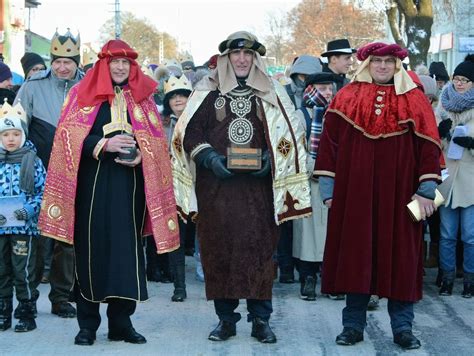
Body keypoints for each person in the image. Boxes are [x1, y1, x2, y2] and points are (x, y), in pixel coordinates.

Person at [171, 31, 311, 344]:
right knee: (219, 253)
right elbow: (188, 134)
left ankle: (261, 320)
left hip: (258, 194)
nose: (242, 59)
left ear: (256, 59)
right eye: (236, 55)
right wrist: (207, 158)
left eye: (248, 55)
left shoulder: (272, 93)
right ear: (227, 58)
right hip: (216, 191)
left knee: (259, 253)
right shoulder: (207, 91)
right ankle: (225, 320)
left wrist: (270, 158)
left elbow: (290, 134)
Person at [37, 39, 179, 346]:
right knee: (91, 252)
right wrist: (103, 145)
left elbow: (156, 142)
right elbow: (66, 141)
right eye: (114, 62)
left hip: (130, 190)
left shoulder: (141, 99)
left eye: (125, 63)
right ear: (104, 64)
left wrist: (143, 152)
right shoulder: (81, 95)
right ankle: (87, 324)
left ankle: (121, 323)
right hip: (92, 188)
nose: (119, 67)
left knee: (126, 256)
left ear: (132, 67)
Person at [315, 42, 442, 350]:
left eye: (388, 62)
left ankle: (402, 328)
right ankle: (352, 326)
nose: (383, 66)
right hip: (354, 193)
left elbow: (429, 146)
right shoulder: (346, 97)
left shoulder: (414, 99)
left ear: (397, 66)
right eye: (377, 61)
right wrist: (329, 190)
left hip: (401, 195)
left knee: (402, 258)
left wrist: (426, 191)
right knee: (356, 257)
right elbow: (329, 145)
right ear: (367, 64)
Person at [14, 30, 84, 318]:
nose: (62, 67)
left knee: (67, 240)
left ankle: (61, 297)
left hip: (77, 171)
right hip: (39, 171)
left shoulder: (88, 86)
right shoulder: (32, 87)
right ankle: (27, 299)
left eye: (69, 61)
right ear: (51, 60)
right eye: (57, 61)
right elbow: (15, 127)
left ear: (77, 62)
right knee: (37, 236)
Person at [0, 102, 46, 332]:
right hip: (0, 228)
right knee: (2, 269)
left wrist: (29, 210)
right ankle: (3, 311)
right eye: (6, 134)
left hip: (23, 228)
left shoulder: (33, 161)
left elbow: (42, 192)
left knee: (23, 270)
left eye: (16, 134)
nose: (11, 139)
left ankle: (27, 312)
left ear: (23, 134)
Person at [292, 71, 335, 301]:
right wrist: (314, 167)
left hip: (334, 181)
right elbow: (295, 149)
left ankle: (330, 279)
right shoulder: (300, 116)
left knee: (331, 233)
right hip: (309, 181)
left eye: (330, 88)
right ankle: (307, 279)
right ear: (311, 90)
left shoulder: (337, 113)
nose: (328, 93)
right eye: (323, 88)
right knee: (308, 235)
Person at [436, 54, 474, 298]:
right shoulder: (441, 106)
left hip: (471, 181)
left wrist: (472, 143)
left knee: (470, 235)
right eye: (456, 79)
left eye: (465, 80)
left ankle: (470, 280)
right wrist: (439, 134)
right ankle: (447, 278)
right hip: (446, 179)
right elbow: (429, 145)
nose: (459, 83)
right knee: (447, 234)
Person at [160, 74, 193, 301]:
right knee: (176, 235)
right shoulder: (161, 124)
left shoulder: (202, 119)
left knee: (207, 236)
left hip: (198, 183)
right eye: (173, 97)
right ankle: (179, 286)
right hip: (172, 185)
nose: (178, 100)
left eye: (182, 95)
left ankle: (215, 281)